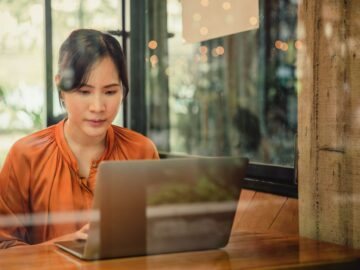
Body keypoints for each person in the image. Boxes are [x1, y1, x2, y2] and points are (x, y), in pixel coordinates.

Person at [0, 29, 159, 249]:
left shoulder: (141, 151)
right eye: (84, 92)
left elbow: (159, 235)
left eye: (110, 92)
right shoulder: (25, 155)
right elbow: (3, 246)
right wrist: (63, 245)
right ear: (60, 87)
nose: (98, 107)